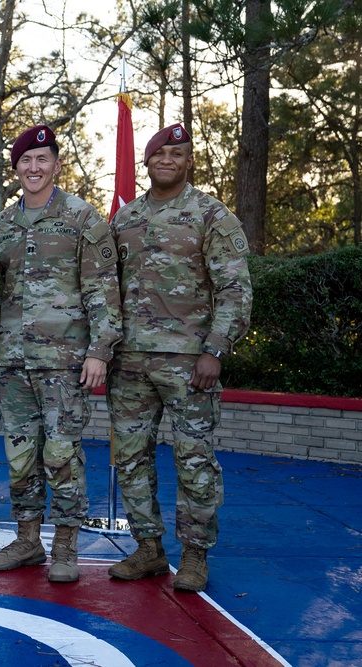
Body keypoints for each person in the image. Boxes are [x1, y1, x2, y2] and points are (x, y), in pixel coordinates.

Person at [106, 123, 252, 593]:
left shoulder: (211, 215)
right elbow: (104, 289)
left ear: (189, 162)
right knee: (130, 458)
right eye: (159, 153)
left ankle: (194, 555)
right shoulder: (124, 220)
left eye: (178, 153)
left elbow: (235, 289)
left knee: (194, 460)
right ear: (146, 162)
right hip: (128, 362)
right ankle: (148, 548)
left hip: (190, 364)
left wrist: (215, 349)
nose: (167, 159)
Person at [0, 124, 122, 583]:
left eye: (43, 159)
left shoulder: (84, 219)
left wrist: (100, 351)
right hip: (13, 363)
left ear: (56, 165)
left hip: (65, 363)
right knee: (20, 455)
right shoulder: (2, 225)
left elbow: (103, 290)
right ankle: (27, 541)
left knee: (61, 455)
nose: (34, 167)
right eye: (26, 160)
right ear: (16, 168)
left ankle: (64, 546)